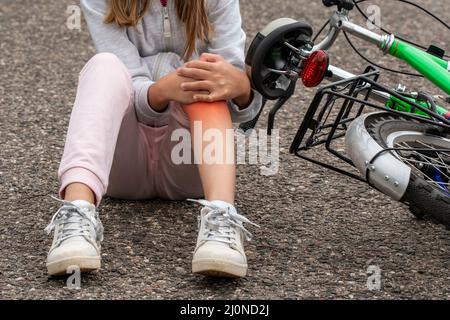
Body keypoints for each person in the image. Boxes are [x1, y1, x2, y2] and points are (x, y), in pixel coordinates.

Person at [45, 0, 262, 279]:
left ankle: (222, 218)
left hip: (190, 165)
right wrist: (160, 92)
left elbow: (230, 85)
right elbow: (126, 79)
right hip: (123, 167)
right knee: (103, 65)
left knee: (206, 76)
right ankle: (76, 212)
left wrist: (243, 86)